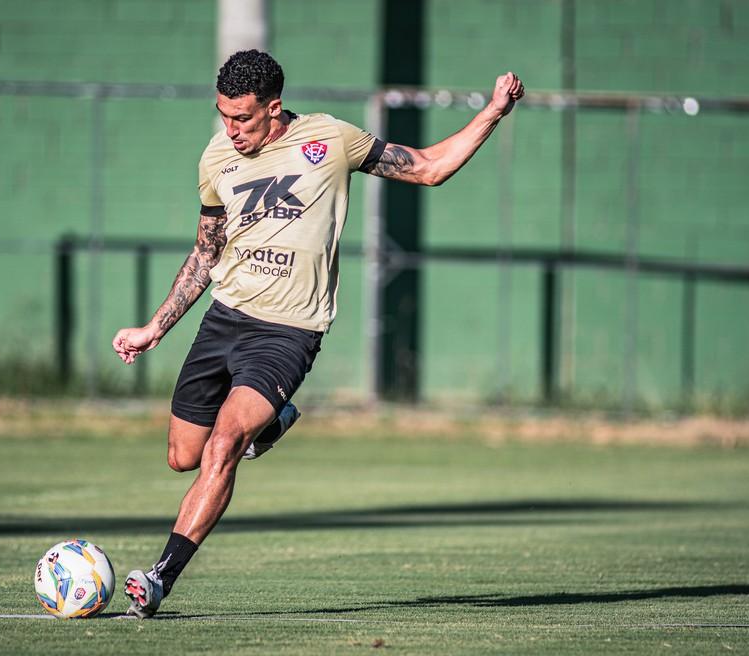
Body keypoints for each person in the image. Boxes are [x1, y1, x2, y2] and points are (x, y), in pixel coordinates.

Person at [112, 49, 524, 618]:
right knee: (184, 457)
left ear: (274, 108)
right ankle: (275, 421)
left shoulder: (329, 140)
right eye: (224, 116)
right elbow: (207, 252)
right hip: (223, 319)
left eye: (244, 119)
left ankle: (159, 578)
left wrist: (493, 112)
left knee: (225, 446)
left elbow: (429, 167)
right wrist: (154, 326)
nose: (231, 130)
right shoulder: (215, 157)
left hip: (288, 332)